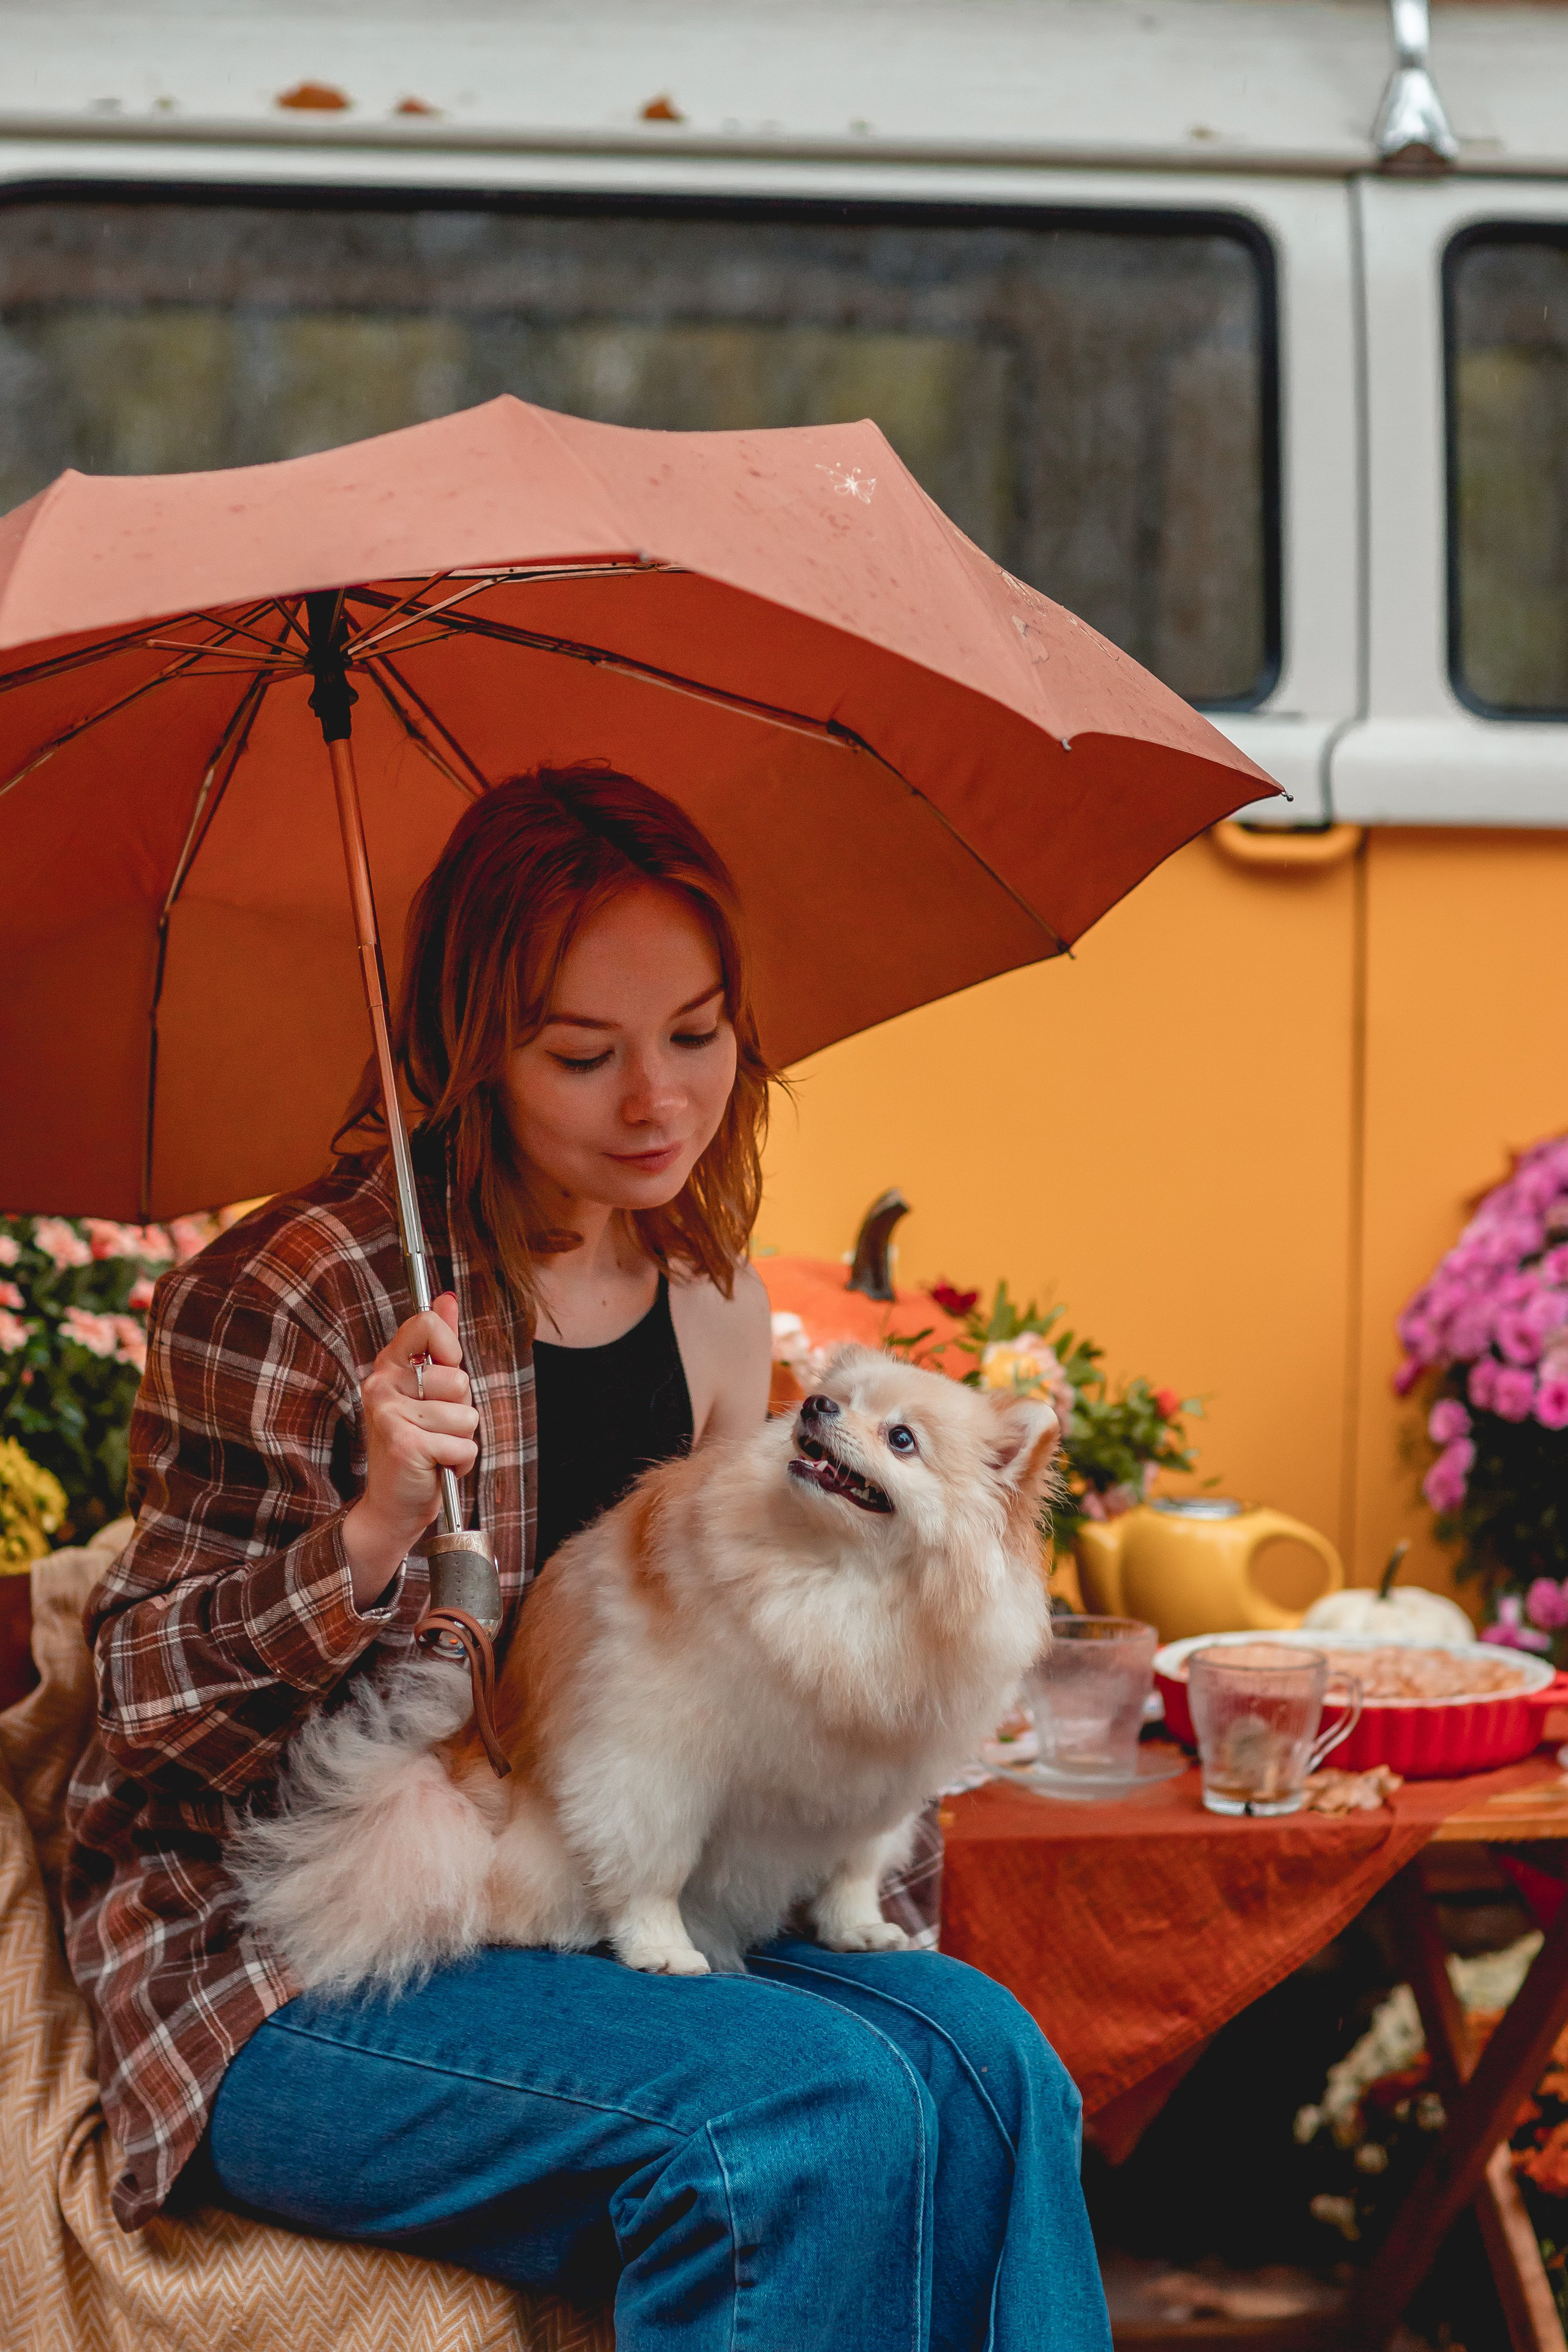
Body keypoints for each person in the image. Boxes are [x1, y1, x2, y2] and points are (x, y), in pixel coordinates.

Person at [65, 765, 1110, 2352]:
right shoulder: (298, 1291)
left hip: (624, 1896)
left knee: (992, 2070)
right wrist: (368, 1536)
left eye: (696, 1036)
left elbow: (766, 1687)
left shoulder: (712, 1300)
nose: (660, 1105)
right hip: (300, 1959)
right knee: (801, 2112)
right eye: (584, 1053)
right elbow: (148, 1706)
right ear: (471, 1046)